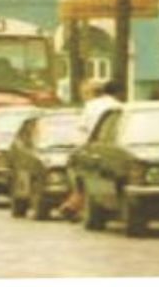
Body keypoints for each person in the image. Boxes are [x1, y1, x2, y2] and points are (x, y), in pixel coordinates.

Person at [58, 80, 123, 221]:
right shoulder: (118, 106)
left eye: (85, 93)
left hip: (92, 147)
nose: (83, 96)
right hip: (112, 148)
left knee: (81, 178)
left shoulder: (91, 106)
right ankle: (74, 205)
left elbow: (82, 129)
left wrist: (77, 148)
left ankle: (75, 206)